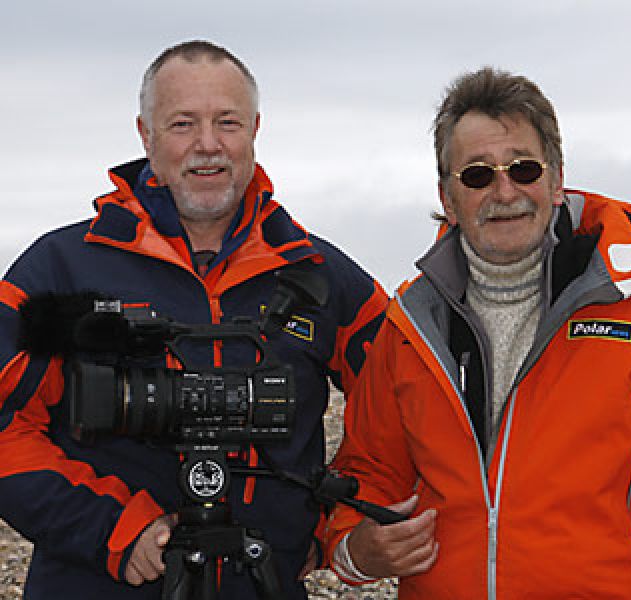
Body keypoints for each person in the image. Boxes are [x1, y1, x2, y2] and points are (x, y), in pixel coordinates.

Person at [322, 67, 631, 599]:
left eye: (523, 169)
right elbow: (368, 469)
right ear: (448, 194)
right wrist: (353, 550)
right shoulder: (411, 325)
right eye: (478, 175)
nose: (505, 191)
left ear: (555, 181)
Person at [0, 40, 387, 599]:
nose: (208, 145)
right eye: (182, 124)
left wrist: (337, 523)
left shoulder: (321, 275)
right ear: (146, 135)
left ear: (255, 128)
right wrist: (113, 528)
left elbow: (408, 400)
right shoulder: (58, 269)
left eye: (227, 122)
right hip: (94, 581)